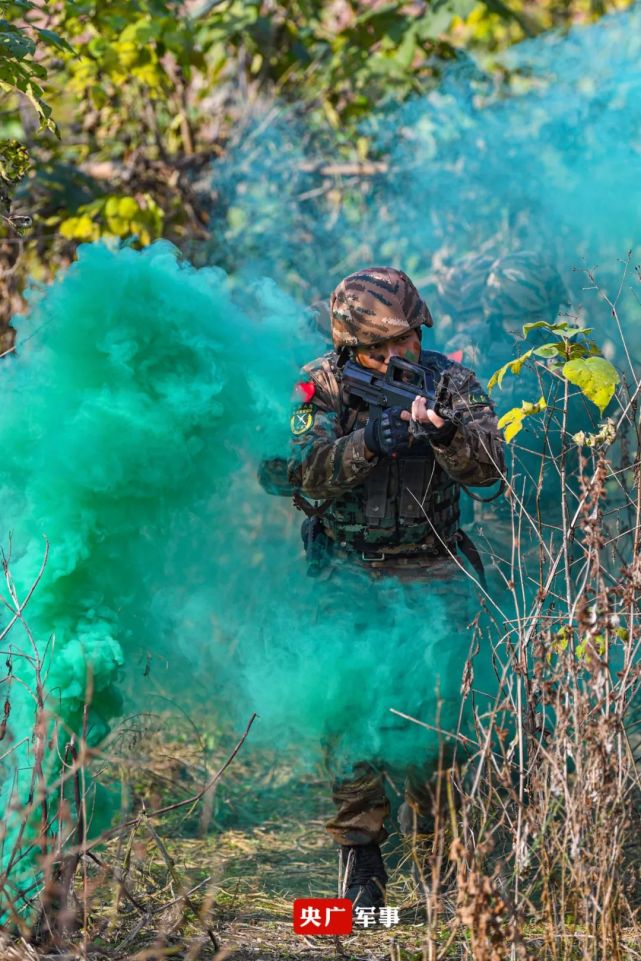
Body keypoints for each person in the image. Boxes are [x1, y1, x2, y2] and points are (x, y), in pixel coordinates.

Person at [286, 266, 505, 908]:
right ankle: (360, 862)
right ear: (349, 346)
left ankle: (443, 868)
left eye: (405, 342)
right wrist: (365, 444)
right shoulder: (317, 385)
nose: (395, 358)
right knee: (344, 712)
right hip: (345, 570)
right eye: (378, 350)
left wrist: (446, 437)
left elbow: (491, 466)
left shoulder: (451, 381)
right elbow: (285, 471)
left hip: (433, 570)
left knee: (436, 722)